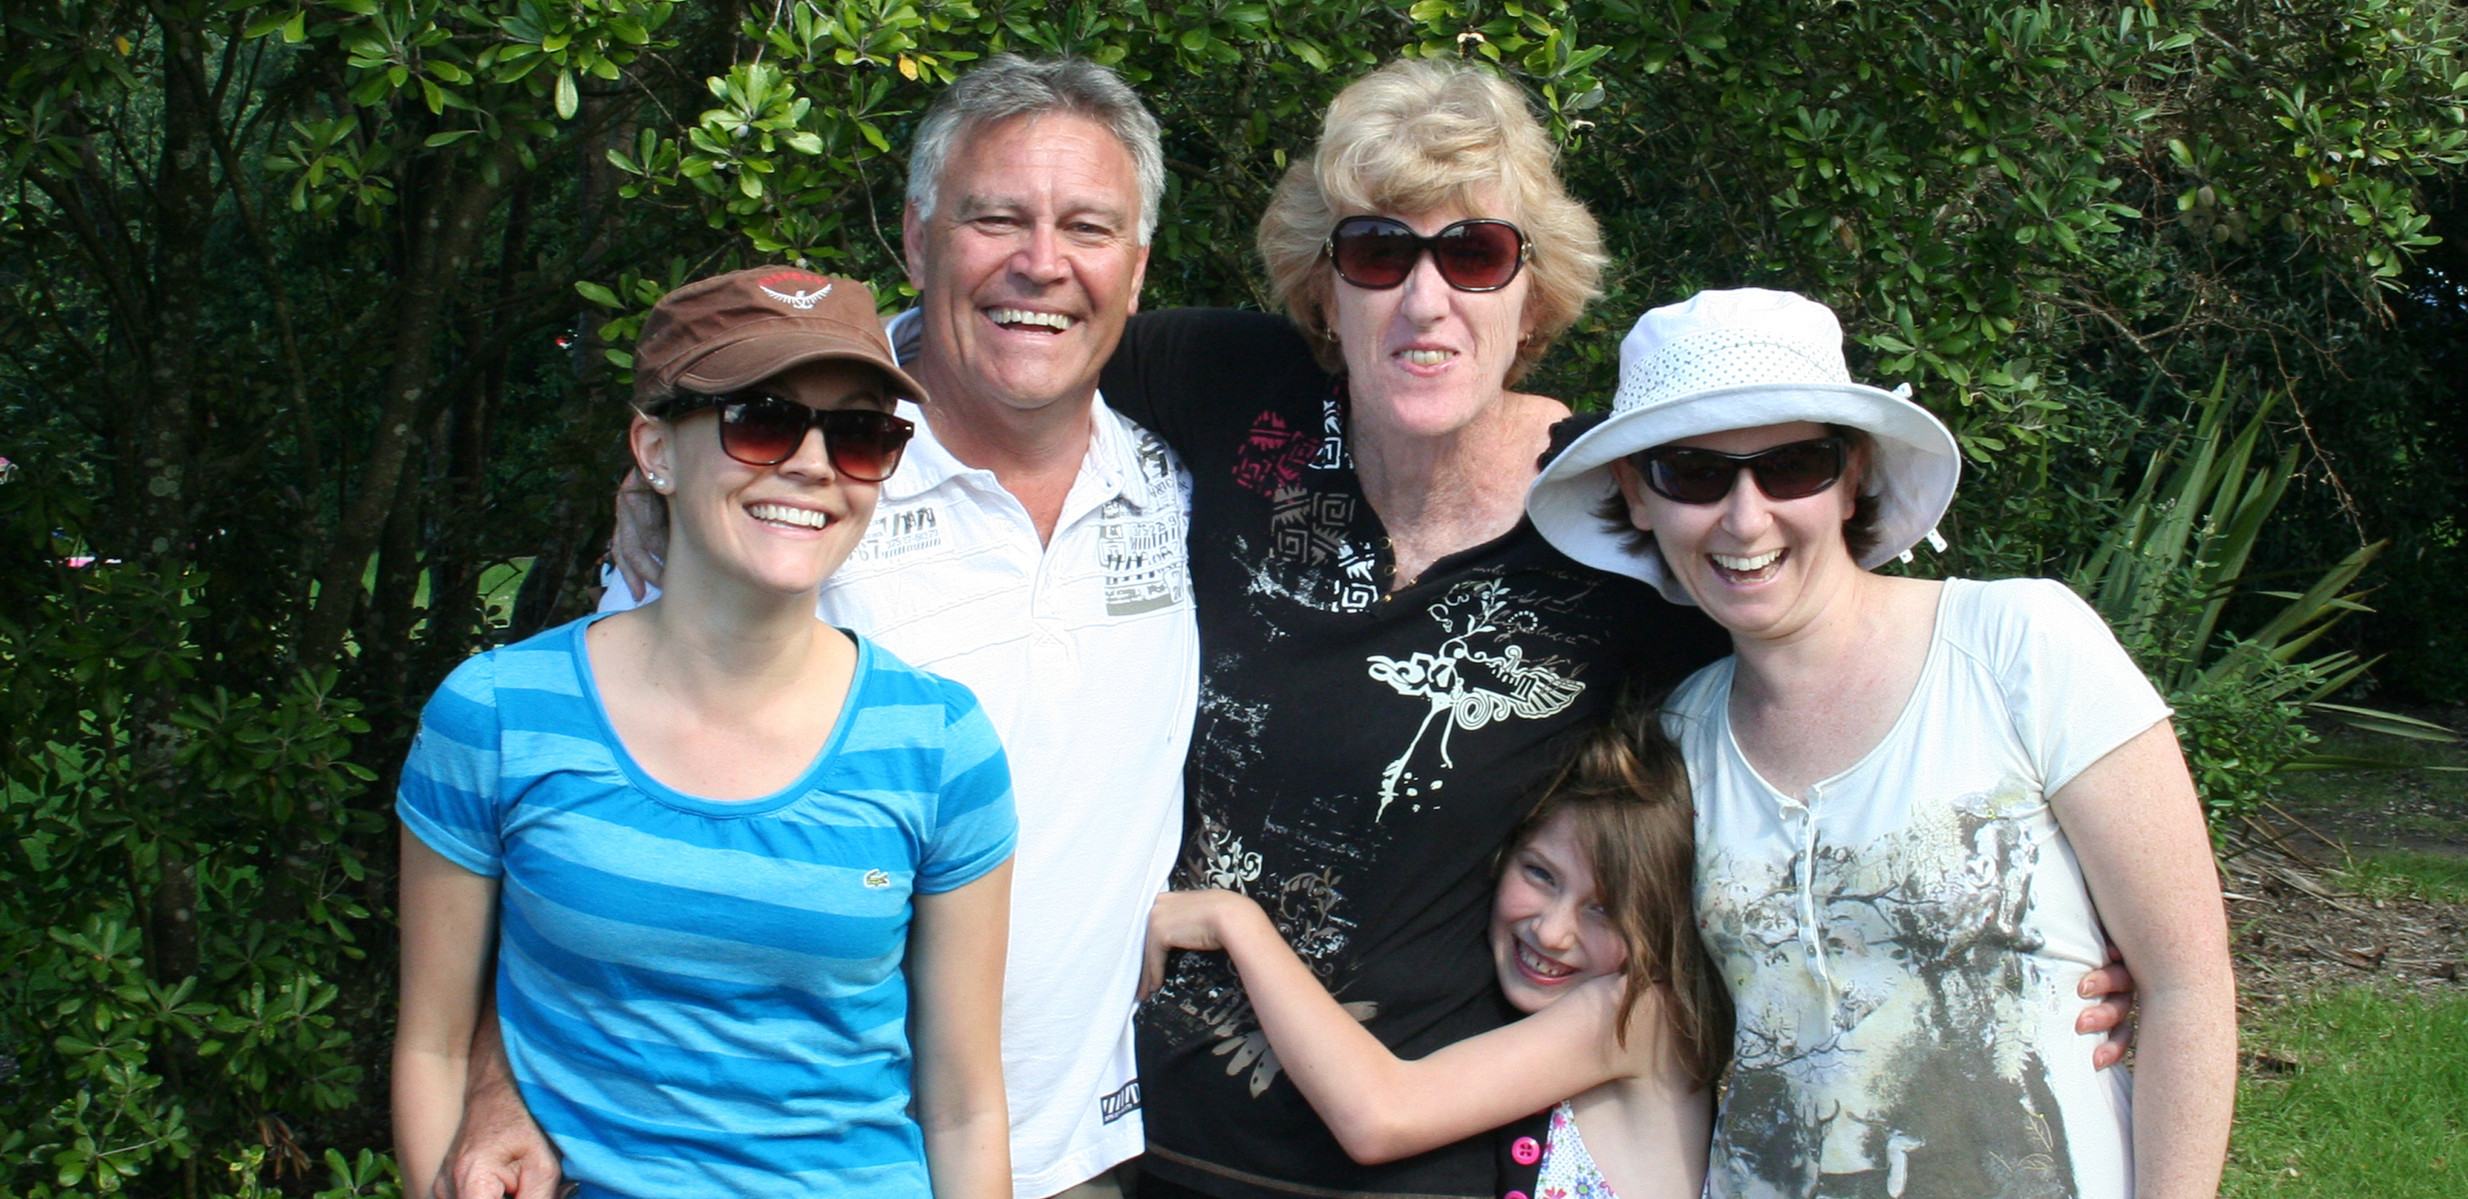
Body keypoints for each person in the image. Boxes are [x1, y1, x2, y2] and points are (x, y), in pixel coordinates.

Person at [1098, 62, 2140, 1199]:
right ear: (1323, 285)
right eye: (1379, 252)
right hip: (1124, 1135)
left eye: (1475, 253)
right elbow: (1005, 359)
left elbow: (1822, 711)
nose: (1425, 297)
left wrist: (2047, 930)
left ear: (1531, 295)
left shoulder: (1630, 513)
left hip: (1413, 1164)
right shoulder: (1221, 385)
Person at [446, 56, 1193, 1199]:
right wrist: (501, 1078)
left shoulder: (1181, 485)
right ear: (918, 237)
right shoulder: (788, 483)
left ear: (1136, 271)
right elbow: (580, 822)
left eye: (1087, 227)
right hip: (769, 1160)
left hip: (1074, 1147)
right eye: (995, 217)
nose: (1041, 262)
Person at [1526, 288, 2237, 1197]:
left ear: (1853, 473)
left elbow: (2188, 985)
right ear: (1636, 492)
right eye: (1693, 473)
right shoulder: (1676, 743)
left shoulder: (2019, 647)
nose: (1745, 517)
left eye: (1792, 466)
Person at [393, 268, 1018, 1199]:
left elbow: (965, 1107)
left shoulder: (940, 743)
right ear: (657, 449)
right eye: (761, 421)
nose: (812, 464)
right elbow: (434, 1046)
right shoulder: (496, 714)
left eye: (858, 434)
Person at [1138, 708, 1727, 1199]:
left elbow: (1380, 1117)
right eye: (1540, 874)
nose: (1552, 932)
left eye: (1605, 909)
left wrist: (1238, 923)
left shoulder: (1640, 1013)